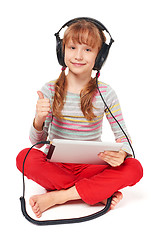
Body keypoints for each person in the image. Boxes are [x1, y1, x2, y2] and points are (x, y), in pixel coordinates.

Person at [16, 19, 143, 218]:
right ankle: (94, 192)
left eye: (87, 50)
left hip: (91, 167)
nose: (78, 56)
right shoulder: (49, 89)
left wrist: (123, 154)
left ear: (99, 57)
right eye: (72, 47)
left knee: (134, 167)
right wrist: (38, 119)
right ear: (62, 51)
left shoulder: (105, 92)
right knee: (24, 157)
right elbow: (37, 144)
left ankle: (60, 196)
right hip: (57, 166)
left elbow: (124, 138)